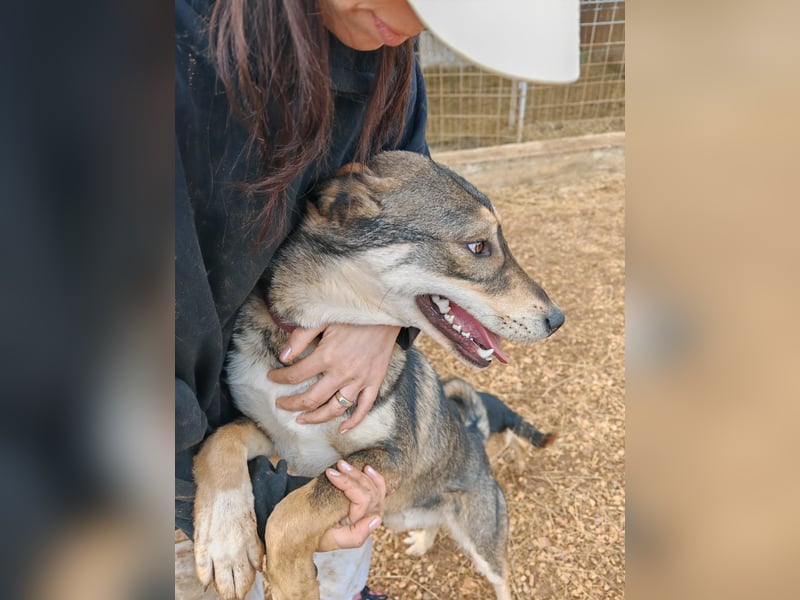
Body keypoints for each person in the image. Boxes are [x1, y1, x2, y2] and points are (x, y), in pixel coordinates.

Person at [176, 1, 579, 598]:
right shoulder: (152, 57)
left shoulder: (387, 56)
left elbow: (411, 194)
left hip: (326, 467)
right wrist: (236, 497)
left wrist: (382, 322)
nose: (412, 25)